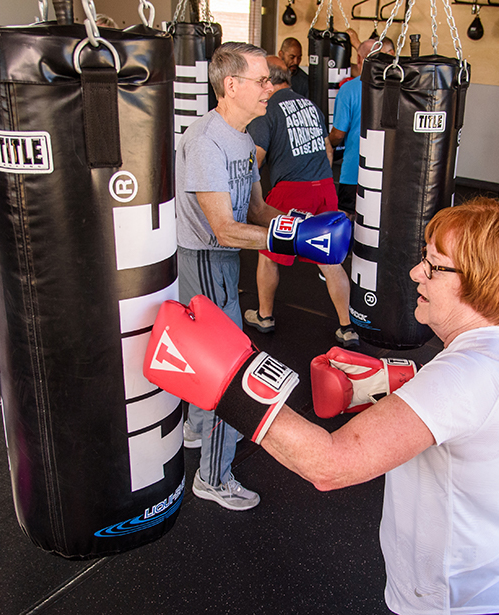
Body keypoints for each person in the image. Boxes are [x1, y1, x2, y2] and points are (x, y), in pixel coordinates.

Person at [147, 198, 499, 615]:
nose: (416, 273)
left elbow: (330, 465)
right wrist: (393, 382)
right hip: (492, 574)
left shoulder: (467, 374)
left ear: (479, 280)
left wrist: (229, 383)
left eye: (433, 265)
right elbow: (475, 413)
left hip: (455, 599)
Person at [175, 42, 352, 511]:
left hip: (224, 262)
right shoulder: (207, 141)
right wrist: (290, 240)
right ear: (231, 85)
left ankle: (196, 426)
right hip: (207, 260)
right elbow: (225, 228)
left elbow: (258, 209)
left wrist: (302, 227)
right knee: (230, 374)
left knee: (208, 358)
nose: (270, 89)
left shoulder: (241, 138)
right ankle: (212, 478)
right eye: (261, 81)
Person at [244, 56, 358, 348]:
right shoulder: (311, 106)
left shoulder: (266, 109)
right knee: (329, 259)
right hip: (324, 186)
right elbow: (327, 149)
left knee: (268, 252)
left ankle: (265, 316)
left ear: (268, 80)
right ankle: (347, 327)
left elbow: (255, 160)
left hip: (292, 190)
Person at [329, 36, 394, 217]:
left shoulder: (349, 89)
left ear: (359, 59)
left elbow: (338, 134)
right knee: (379, 221)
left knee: (347, 220)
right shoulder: (398, 90)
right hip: (386, 172)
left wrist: (327, 143)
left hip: (354, 172)